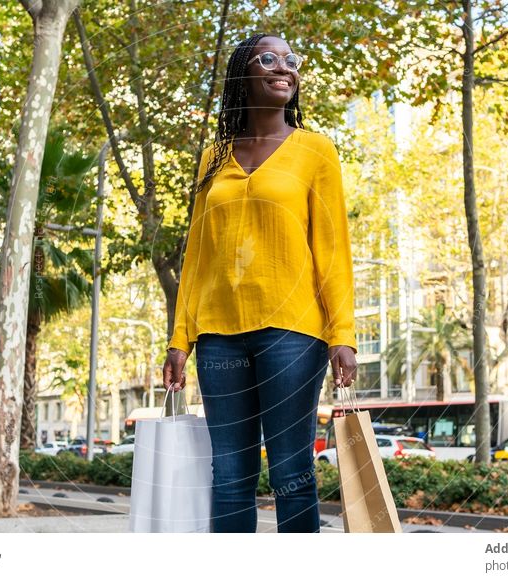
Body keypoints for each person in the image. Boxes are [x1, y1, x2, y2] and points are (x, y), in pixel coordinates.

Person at [162, 32, 358, 533]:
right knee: (228, 474)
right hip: (218, 335)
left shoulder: (315, 150)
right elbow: (197, 258)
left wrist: (343, 336)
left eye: (292, 61)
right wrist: (179, 340)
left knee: (292, 474)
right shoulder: (213, 159)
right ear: (242, 73)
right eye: (269, 58)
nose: (284, 67)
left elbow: (332, 250)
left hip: (293, 333)